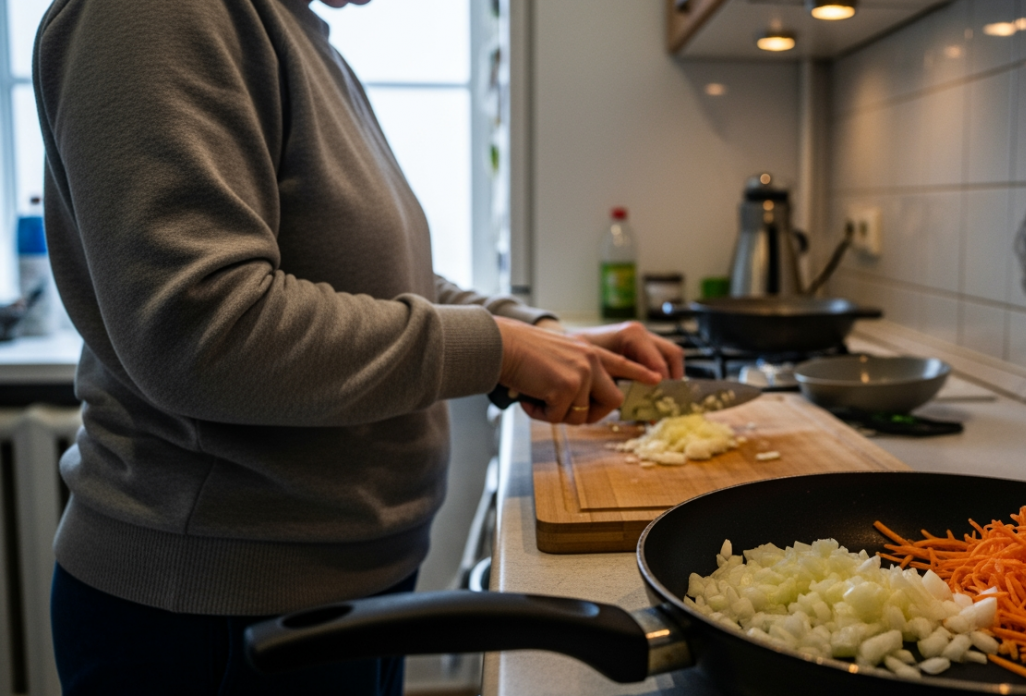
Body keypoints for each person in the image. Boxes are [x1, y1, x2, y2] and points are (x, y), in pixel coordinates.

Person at [32, 0, 683, 693]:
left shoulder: (295, 33)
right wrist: (498, 348)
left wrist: (535, 334)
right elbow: (204, 328)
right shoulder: (157, 15)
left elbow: (382, 278)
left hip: (331, 591)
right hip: (213, 616)